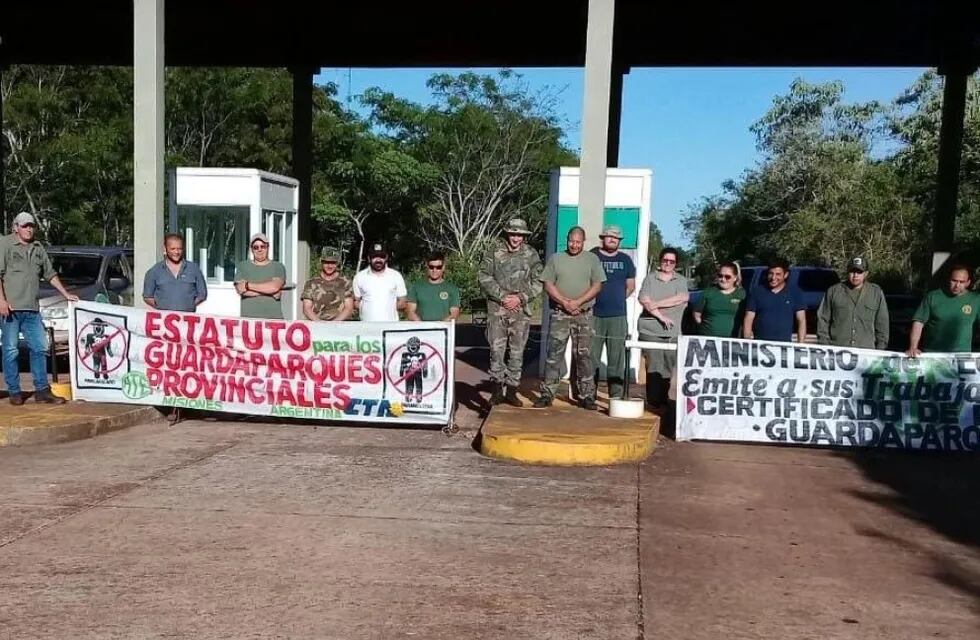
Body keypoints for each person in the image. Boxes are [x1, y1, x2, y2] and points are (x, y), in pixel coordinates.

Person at [0, 212, 79, 405]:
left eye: (31, 226)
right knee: (11, 350)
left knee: (41, 347)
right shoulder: (5, 244)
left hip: (32, 309)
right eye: (25, 226)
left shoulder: (37, 247)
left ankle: (42, 390)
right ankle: (14, 391)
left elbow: (50, 273)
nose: (29, 229)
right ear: (15, 227)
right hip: (11, 308)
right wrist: (1, 301)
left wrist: (65, 294)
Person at [534, 226, 607, 410]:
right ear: (566, 240)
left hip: (583, 314)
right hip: (560, 314)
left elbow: (597, 285)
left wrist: (578, 302)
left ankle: (586, 396)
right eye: (571, 241)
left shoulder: (592, 259)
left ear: (583, 242)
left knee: (584, 356)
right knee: (554, 355)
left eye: (577, 242)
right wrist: (564, 302)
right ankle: (547, 394)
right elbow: (548, 284)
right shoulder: (556, 259)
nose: (574, 245)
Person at [477, 218, 542, 407]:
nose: (516, 238)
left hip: (520, 311)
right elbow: (484, 275)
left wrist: (520, 297)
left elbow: (539, 281)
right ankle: (497, 390)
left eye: (520, 235)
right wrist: (502, 297)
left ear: (524, 236)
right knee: (496, 351)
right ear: (507, 234)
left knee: (517, 352)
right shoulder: (495, 251)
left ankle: (512, 390)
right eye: (513, 234)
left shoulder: (531, 254)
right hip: (498, 309)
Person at [637, 247, 688, 409]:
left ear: (676, 264)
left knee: (668, 367)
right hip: (650, 329)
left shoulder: (680, 280)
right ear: (660, 261)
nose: (668, 264)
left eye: (672, 261)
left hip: (673, 331)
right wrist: (661, 316)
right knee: (654, 365)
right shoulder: (650, 279)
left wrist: (656, 304)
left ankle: (665, 401)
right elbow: (644, 299)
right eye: (665, 260)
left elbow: (682, 298)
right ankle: (653, 402)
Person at [590, 224, 636, 399]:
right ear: (603, 238)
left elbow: (631, 286)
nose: (612, 240)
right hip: (594, 314)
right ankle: (589, 393)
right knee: (591, 356)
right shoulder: (592, 256)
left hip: (618, 315)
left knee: (616, 358)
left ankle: (615, 394)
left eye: (615, 238)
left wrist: (616, 298)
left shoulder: (625, 260)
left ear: (619, 241)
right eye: (609, 237)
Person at [817, 257, 889, 350]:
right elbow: (823, 320)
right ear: (847, 272)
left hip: (866, 353)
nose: (855, 275)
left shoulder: (876, 293)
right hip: (837, 351)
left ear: (866, 274)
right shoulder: (833, 291)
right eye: (852, 271)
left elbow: (882, 324)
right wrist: (825, 346)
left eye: (859, 272)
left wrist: (880, 350)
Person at [907, 265, 980, 356]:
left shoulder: (975, 300)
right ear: (949, 279)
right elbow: (918, 322)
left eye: (961, 282)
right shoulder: (933, 296)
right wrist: (913, 346)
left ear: (968, 283)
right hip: (932, 354)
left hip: (961, 356)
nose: (957, 285)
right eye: (954, 280)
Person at [742, 258, 806, 343]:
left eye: (778, 274)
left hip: (784, 346)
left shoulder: (795, 292)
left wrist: (800, 344)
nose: (773, 277)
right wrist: (747, 342)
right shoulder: (757, 292)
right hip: (760, 345)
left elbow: (801, 320)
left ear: (786, 275)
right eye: (771, 273)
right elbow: (748, 318)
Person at [142, 233, 207, 312]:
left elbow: (202, 295)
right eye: (172, 249)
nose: (176, 252)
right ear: (165, 249)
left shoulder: (194, 269)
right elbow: (147, 297)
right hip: (163, 320)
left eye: (179, 248)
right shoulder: (154, 271)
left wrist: (188, 305)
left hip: (188, 319)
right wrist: (162, 307)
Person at [235, 233, 286, 319]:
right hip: (249, 320)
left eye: (263, 246)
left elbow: (274, 287)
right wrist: (269, 292)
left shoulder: (278, 266)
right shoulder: (242, 266)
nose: (259, 249)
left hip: (273, 321)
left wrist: (247, 285)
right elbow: (240, 289)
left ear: (268, 247)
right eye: (256, 247)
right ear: (251, 249)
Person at [352, 243, 407, 322]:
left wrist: (387, 308)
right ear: (368, 258)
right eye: (374, 256)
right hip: (366, 326)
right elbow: (355, 301)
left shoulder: (396, 276)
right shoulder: (360, 277)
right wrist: (366, 308)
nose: (378, 260)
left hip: (390, 326)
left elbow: (403, 302)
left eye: (382, 256)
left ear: (386, 257)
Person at [692, 261, 746, 338]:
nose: (723, 279)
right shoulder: (708, 293)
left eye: (727, 277)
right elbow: (697, 313)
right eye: (720, 276)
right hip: (708, 339)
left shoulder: (741, 294)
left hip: (733, 340)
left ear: (735, 278)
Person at [301, 248, 353, 321]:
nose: (329, 266)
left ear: (337, 263)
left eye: (333, 263)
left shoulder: (345, 282)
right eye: (326, 262)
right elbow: (307, 309)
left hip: (340, 325)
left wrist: (334, 324)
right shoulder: (311, 283)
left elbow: (349, 308)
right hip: (317, 324)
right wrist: (321, 324)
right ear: (321, 262)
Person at [406, 252, 461, 322]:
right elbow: (410, 312)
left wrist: (439, 326)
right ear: (427, 266)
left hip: (443, 330)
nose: (434, 270)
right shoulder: (416, 287)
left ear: (443, 267)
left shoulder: (452, 288)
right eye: (431, 267)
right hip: (421, 330)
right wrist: (423, 326)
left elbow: (454, 314)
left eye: (438, 267)